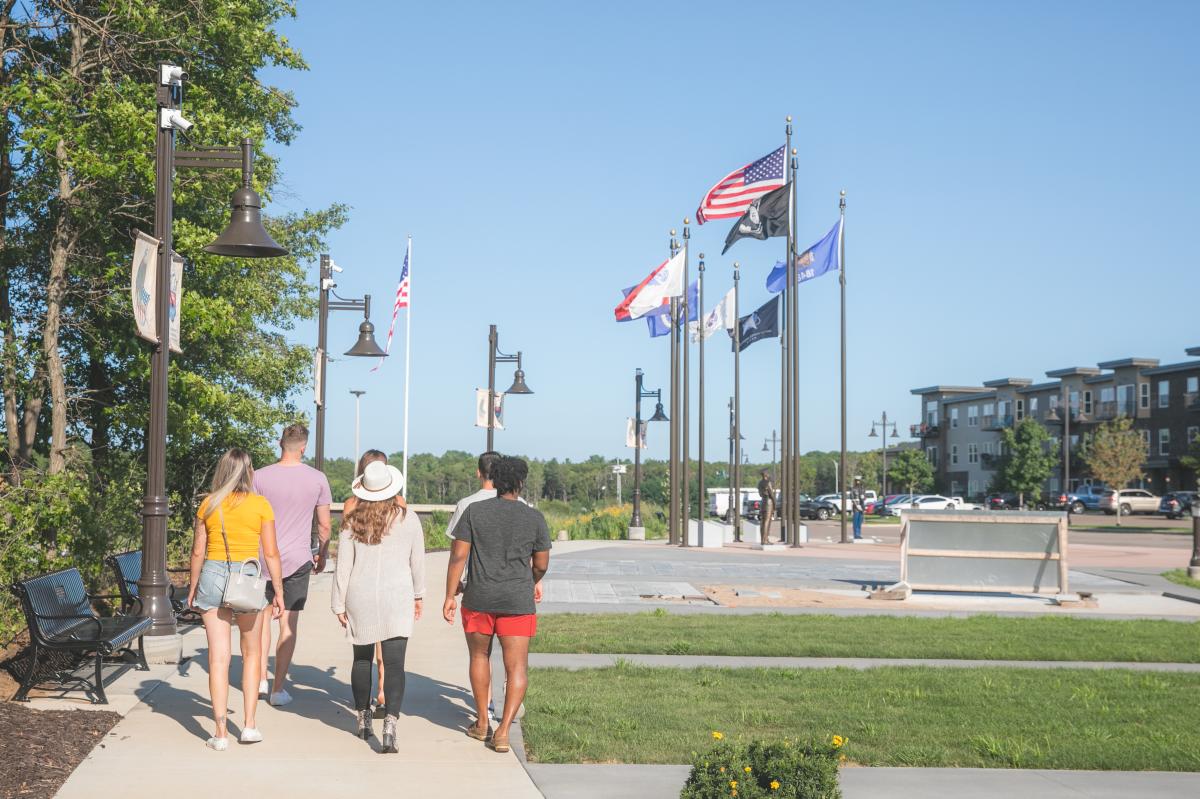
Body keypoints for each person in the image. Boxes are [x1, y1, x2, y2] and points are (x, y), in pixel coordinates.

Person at [443, 456, 550, 754]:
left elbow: (458, 557)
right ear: (520, 482)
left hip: (479, 598)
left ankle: (481, 723)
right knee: (516, 667)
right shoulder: (534, 517)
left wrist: (450, 595)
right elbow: (541, 563)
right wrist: (527, 580)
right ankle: (503, 731)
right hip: (518, 600)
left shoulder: (475, 512)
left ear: (494, 480)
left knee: (479, 656)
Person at [187, 448, 285, 750]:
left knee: (218, 658)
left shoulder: (209, 504)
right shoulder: (260, 505)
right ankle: (249, 725)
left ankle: (219, 733)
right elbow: (270, 553)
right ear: (249, 472)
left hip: (213, 577)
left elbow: (197, 552)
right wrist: (278, 591)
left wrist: (192, 588)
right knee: (252, 653)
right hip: (247, 578)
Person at [332, 460, 425, 753]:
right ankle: (391, 726)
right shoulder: (408, 519)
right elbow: (417, 561)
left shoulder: (352, 521)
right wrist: (418, 594)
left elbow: (342, 567)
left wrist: (338, 602)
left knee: (362, 659)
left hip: (360, 596)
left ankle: (362, 718)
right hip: (397, 595)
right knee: (395, 664)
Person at [252, 423, 333, 707]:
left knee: (260, 621)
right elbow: (324, 525)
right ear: (304, 447)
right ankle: (277, 688)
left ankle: (259, 678)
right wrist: (322, 554)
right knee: (288, 623)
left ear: (279, 444)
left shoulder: (259, 477)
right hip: (298, 558)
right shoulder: (317, 479)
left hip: (262, 558)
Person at [343, 449, 389, 711]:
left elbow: (347, 549)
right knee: (384, 646)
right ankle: (383, 691)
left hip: (361, 585)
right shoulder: (398, 505)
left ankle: (371, 697)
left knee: (363, 650)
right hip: (387, 585)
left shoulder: (352, 504)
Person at [757, 469, 776, 544]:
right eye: (768, 473)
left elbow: (760, 494)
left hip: (763, 501)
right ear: (765, 474)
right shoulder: (768, 483)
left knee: (763, 521)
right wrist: (775, 504)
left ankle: (764, 539)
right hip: (769, 502)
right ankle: (765, 540)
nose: (769, 474)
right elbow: (772, 494)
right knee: (767, 521)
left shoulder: (760, 483)